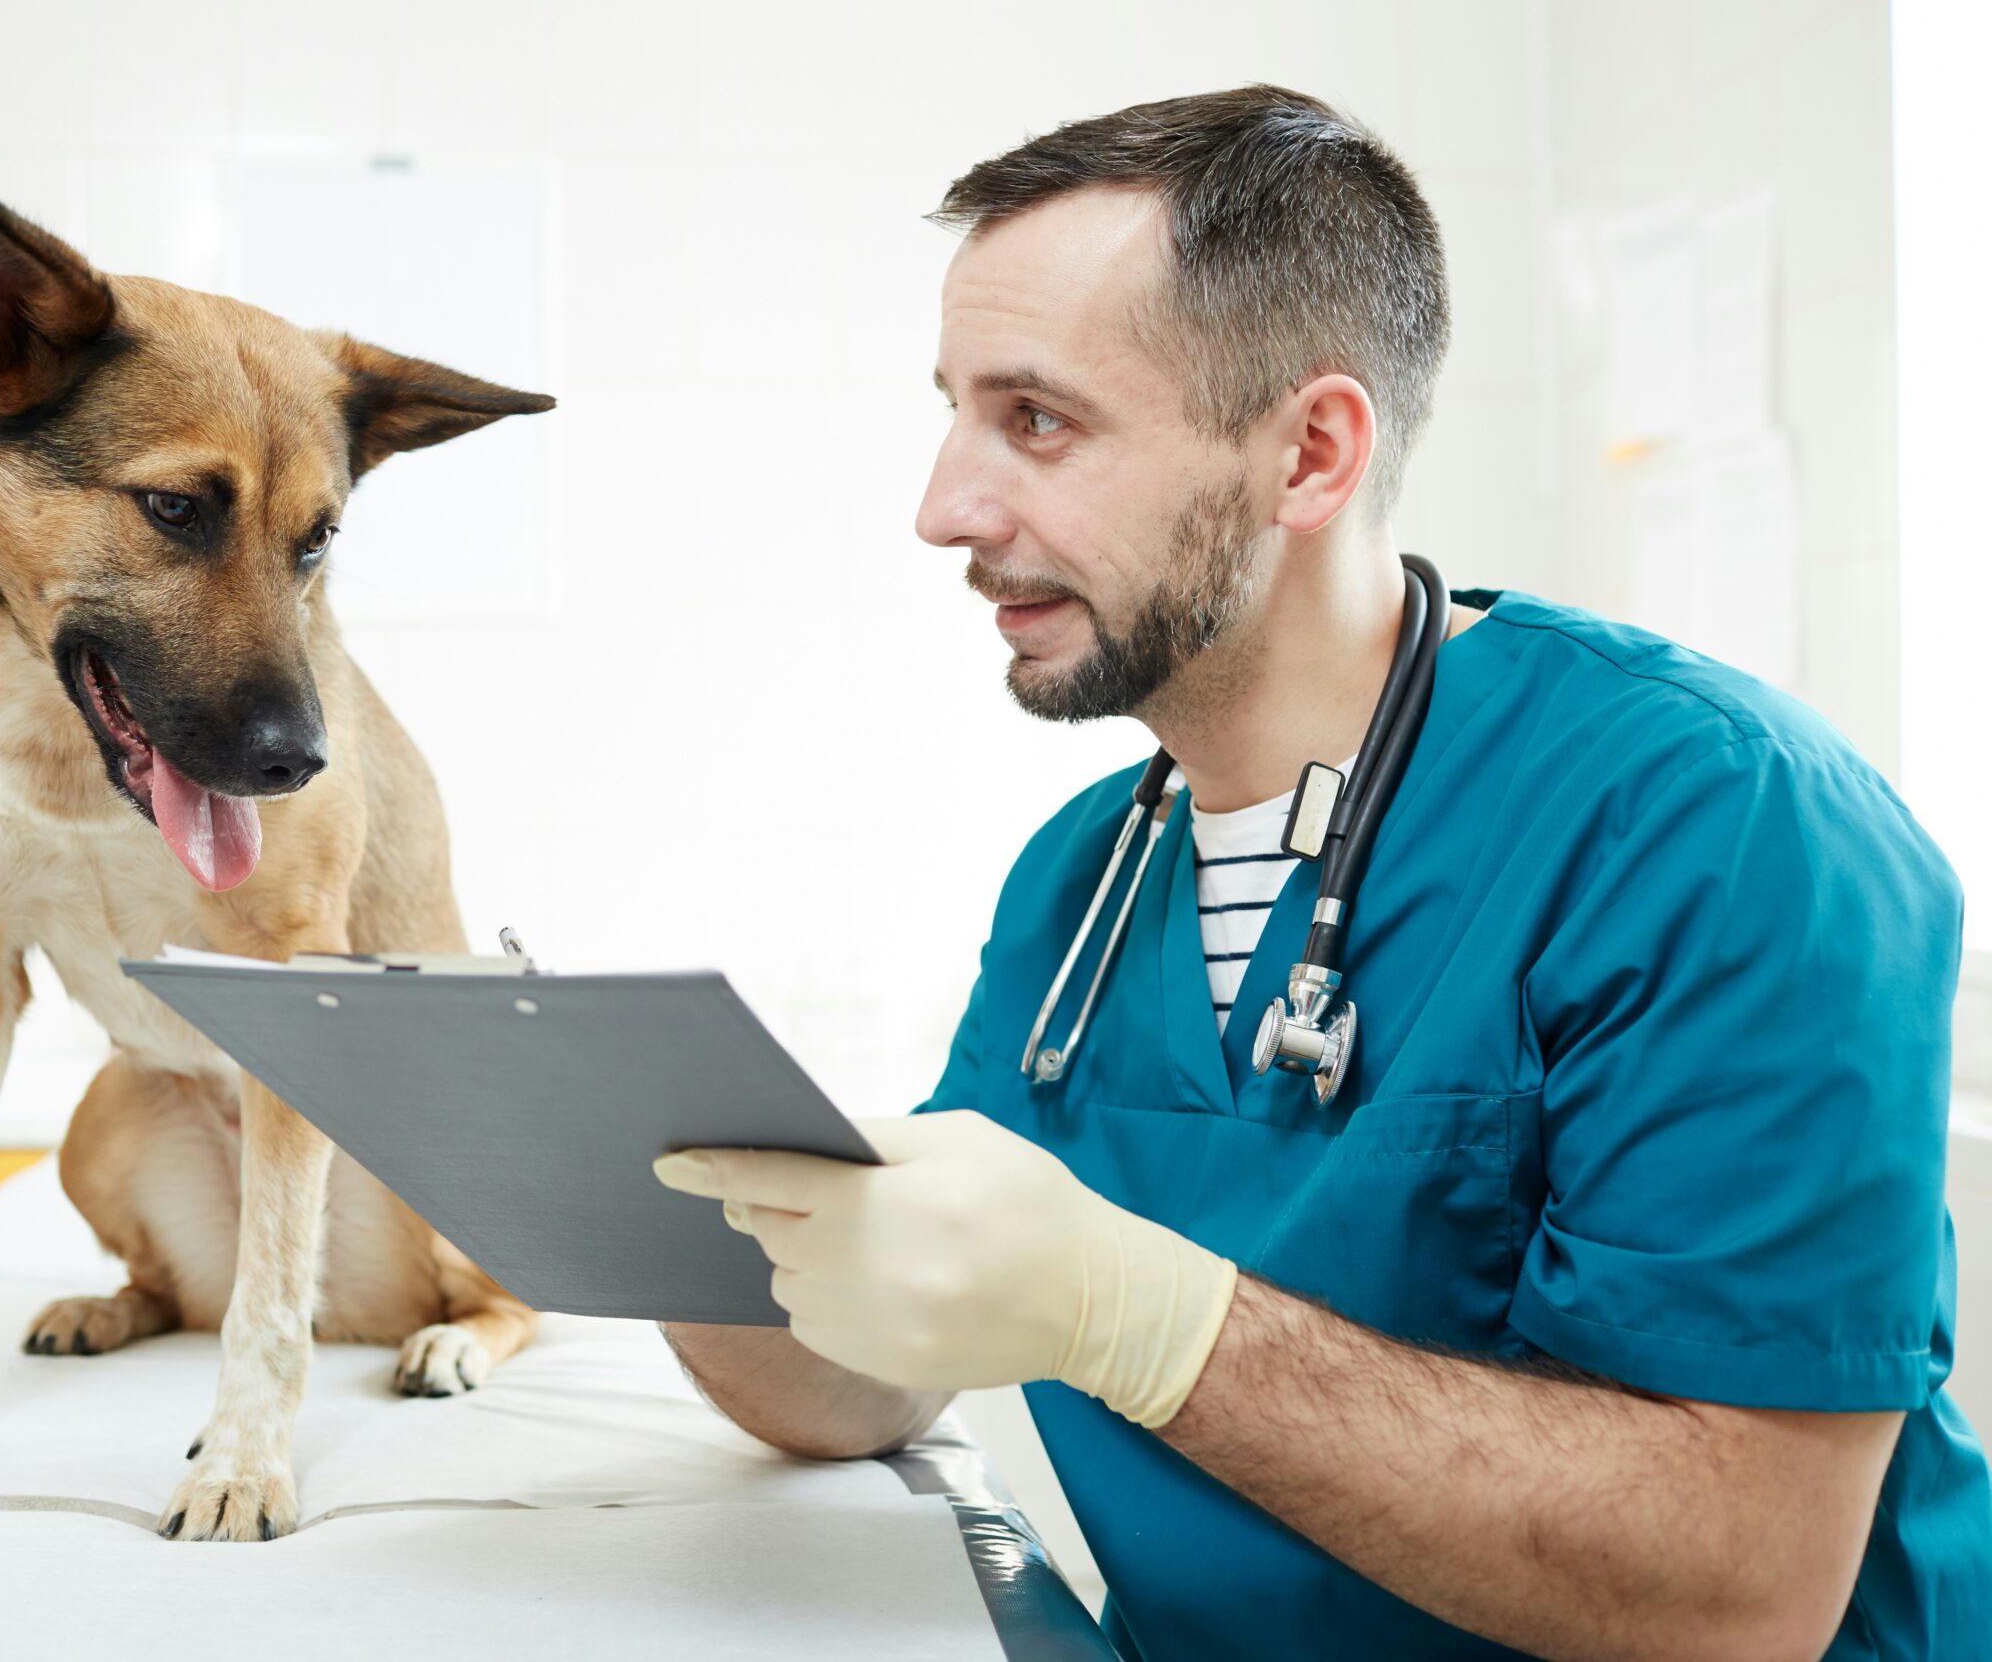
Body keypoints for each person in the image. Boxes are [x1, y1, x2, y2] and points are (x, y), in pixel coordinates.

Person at [651, 86, 1990, 1661]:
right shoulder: (1086, 878)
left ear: (1310, 454)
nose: (944, 507)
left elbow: (1738, 1587)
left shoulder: (1719, 822)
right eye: (951, 412)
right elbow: (879, 1376)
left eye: (1038, 421)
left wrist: (1133, 1316)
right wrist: (680, 1208)